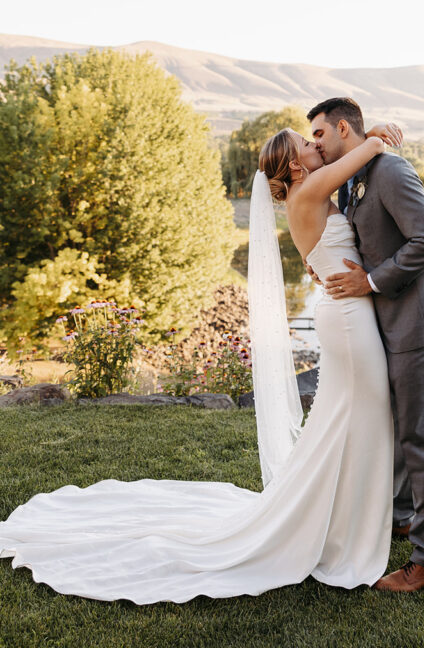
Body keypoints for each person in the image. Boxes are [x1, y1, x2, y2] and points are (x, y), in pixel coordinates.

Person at [0, 126, 403, 602]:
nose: (317, 147)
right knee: (363, 419)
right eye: (308, 145)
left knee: (345, 423)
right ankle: (344, 535)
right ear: (294, 166)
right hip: (350, 323)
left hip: (346, 315)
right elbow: (370, 151)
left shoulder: (305, 192)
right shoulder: (310, 188)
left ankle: (338, 521)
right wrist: (375, 136)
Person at [307, 97, 424, 593]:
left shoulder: (390, 171)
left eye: (320, 135)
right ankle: (400, 516)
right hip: (382, 323)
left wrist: (370, 281)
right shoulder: (352, 176)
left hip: (414, 322)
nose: (315, 145)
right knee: (395, 428)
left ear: (343, 128)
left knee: (420, 438)